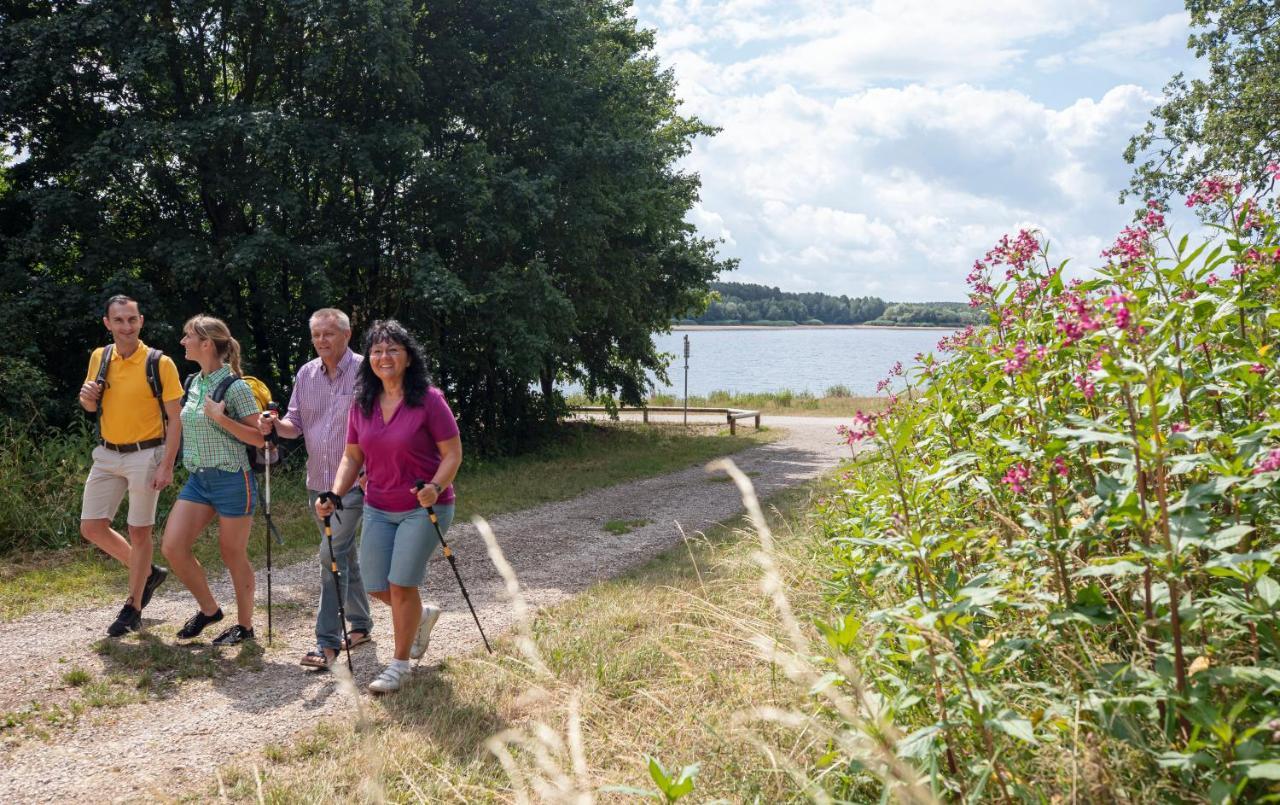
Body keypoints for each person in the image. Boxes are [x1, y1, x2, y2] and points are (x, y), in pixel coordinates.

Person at [315, 320, 462, 693]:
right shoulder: (362, 403)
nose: (385, 357)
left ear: (408, 357)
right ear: (370, 359)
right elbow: (351, 455)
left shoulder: (429, 400)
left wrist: (434, 486)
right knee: (379, 584)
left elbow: (452, 453)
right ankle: (419, 615)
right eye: (378, 351)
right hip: (378, 505)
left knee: (400, 584)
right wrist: (334, 493)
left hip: (423, 506)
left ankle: (399, 666)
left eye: (393, 349)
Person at [258, 308, 374, 670]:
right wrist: (275, 424)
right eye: (317, 335)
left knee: (331, 557)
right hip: (317, 484)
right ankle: (360, 625)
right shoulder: (306, 374)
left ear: (347, 334)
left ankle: (326, 643)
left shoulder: (366, 372)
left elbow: (380, 422)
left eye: (329, 334)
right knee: (343, 556)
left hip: (355, 483)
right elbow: (296, 425)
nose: (322, 340)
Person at [78, 295, 183, 636]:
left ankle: (133, 606)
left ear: (141, 321)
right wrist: (86, 397)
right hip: (107, 453)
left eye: (132, 319)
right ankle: (148, 573)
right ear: (107, 323)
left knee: (139, 531)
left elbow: (175, 419)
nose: (127, 326)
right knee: (92, 526)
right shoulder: (100, 356)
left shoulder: (159, 362)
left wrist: (167, 464)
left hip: (146, 454)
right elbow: (91, 407)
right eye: (119, 320)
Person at [160, 315, 264, 646]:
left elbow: (260, 438)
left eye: (187, 336)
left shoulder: (236, 387)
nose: (182, 341)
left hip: (233, 479)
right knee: (173, 547)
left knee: (232, 554)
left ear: (206, 344)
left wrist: (221, 418)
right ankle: (209, 610)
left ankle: (245, 628)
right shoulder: (191, 382)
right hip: (198, 480)